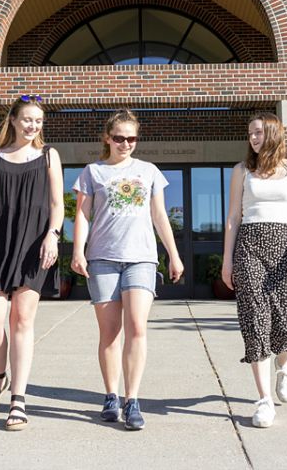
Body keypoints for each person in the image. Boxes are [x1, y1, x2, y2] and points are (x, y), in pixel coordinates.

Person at [71, 109, 184, 431]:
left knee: (137, 326)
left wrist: (173, 255)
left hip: (142, 258)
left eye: (131, 138)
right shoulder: (92, 172)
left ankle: (132, 399)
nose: (125, 144)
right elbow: (82, 215)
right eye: (119, 138)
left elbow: (159, 216)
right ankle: (111, 395)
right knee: (110, 333)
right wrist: (78, 251)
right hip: (103, 258)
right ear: (107, 138)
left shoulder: (148, 171)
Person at [0, 95, 64, 431]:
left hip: (34, 245)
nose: (33, 126)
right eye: (27, 119)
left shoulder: (49, 156)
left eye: (38, 121)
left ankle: (18, 397)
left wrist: (53, 235)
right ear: (14, 120)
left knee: (22, 320)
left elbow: (58, 204)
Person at [221, 112, 287, 428]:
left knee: (286, 323)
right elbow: (233, 217)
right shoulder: (241, 171)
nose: (253, 138)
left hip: (285, 245)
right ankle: (263, 401)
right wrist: (227, 260)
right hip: (249, 246)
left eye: (258, 132)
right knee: (255, 321)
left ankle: (284, 367)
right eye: (250, 133)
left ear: (273, 133)